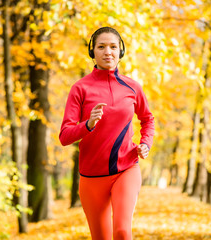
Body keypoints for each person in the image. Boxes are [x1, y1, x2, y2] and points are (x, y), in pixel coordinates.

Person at [59, 26, 155, 240]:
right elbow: (65, 136)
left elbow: (148, 119)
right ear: (92, 52)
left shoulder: (133, 87)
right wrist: (88, 124)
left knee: (121, 231)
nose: (108, 52)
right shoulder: (80, 88)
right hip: (91, 177)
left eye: (113, 47)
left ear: (120, 51)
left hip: (126, 168)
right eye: (101, 47)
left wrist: (145, 143)